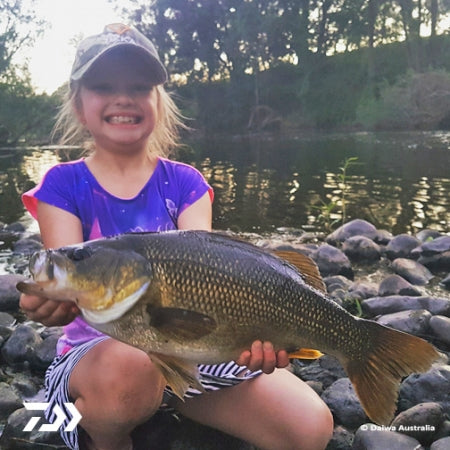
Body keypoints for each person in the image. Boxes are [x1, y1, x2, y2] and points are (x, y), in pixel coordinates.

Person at [19, 24, 333, 450]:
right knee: (131, 370)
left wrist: (256, 338)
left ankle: (173, 402)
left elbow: (211, 270)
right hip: (97, 362)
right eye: (103, 86)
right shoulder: (61, 184)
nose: (123, 97)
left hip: (193, 354)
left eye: (139, 87)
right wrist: (49, 304)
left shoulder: (186, 183)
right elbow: (64, 280)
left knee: (310, 427)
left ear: (158, 102)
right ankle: (106, 436)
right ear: (78, 106)